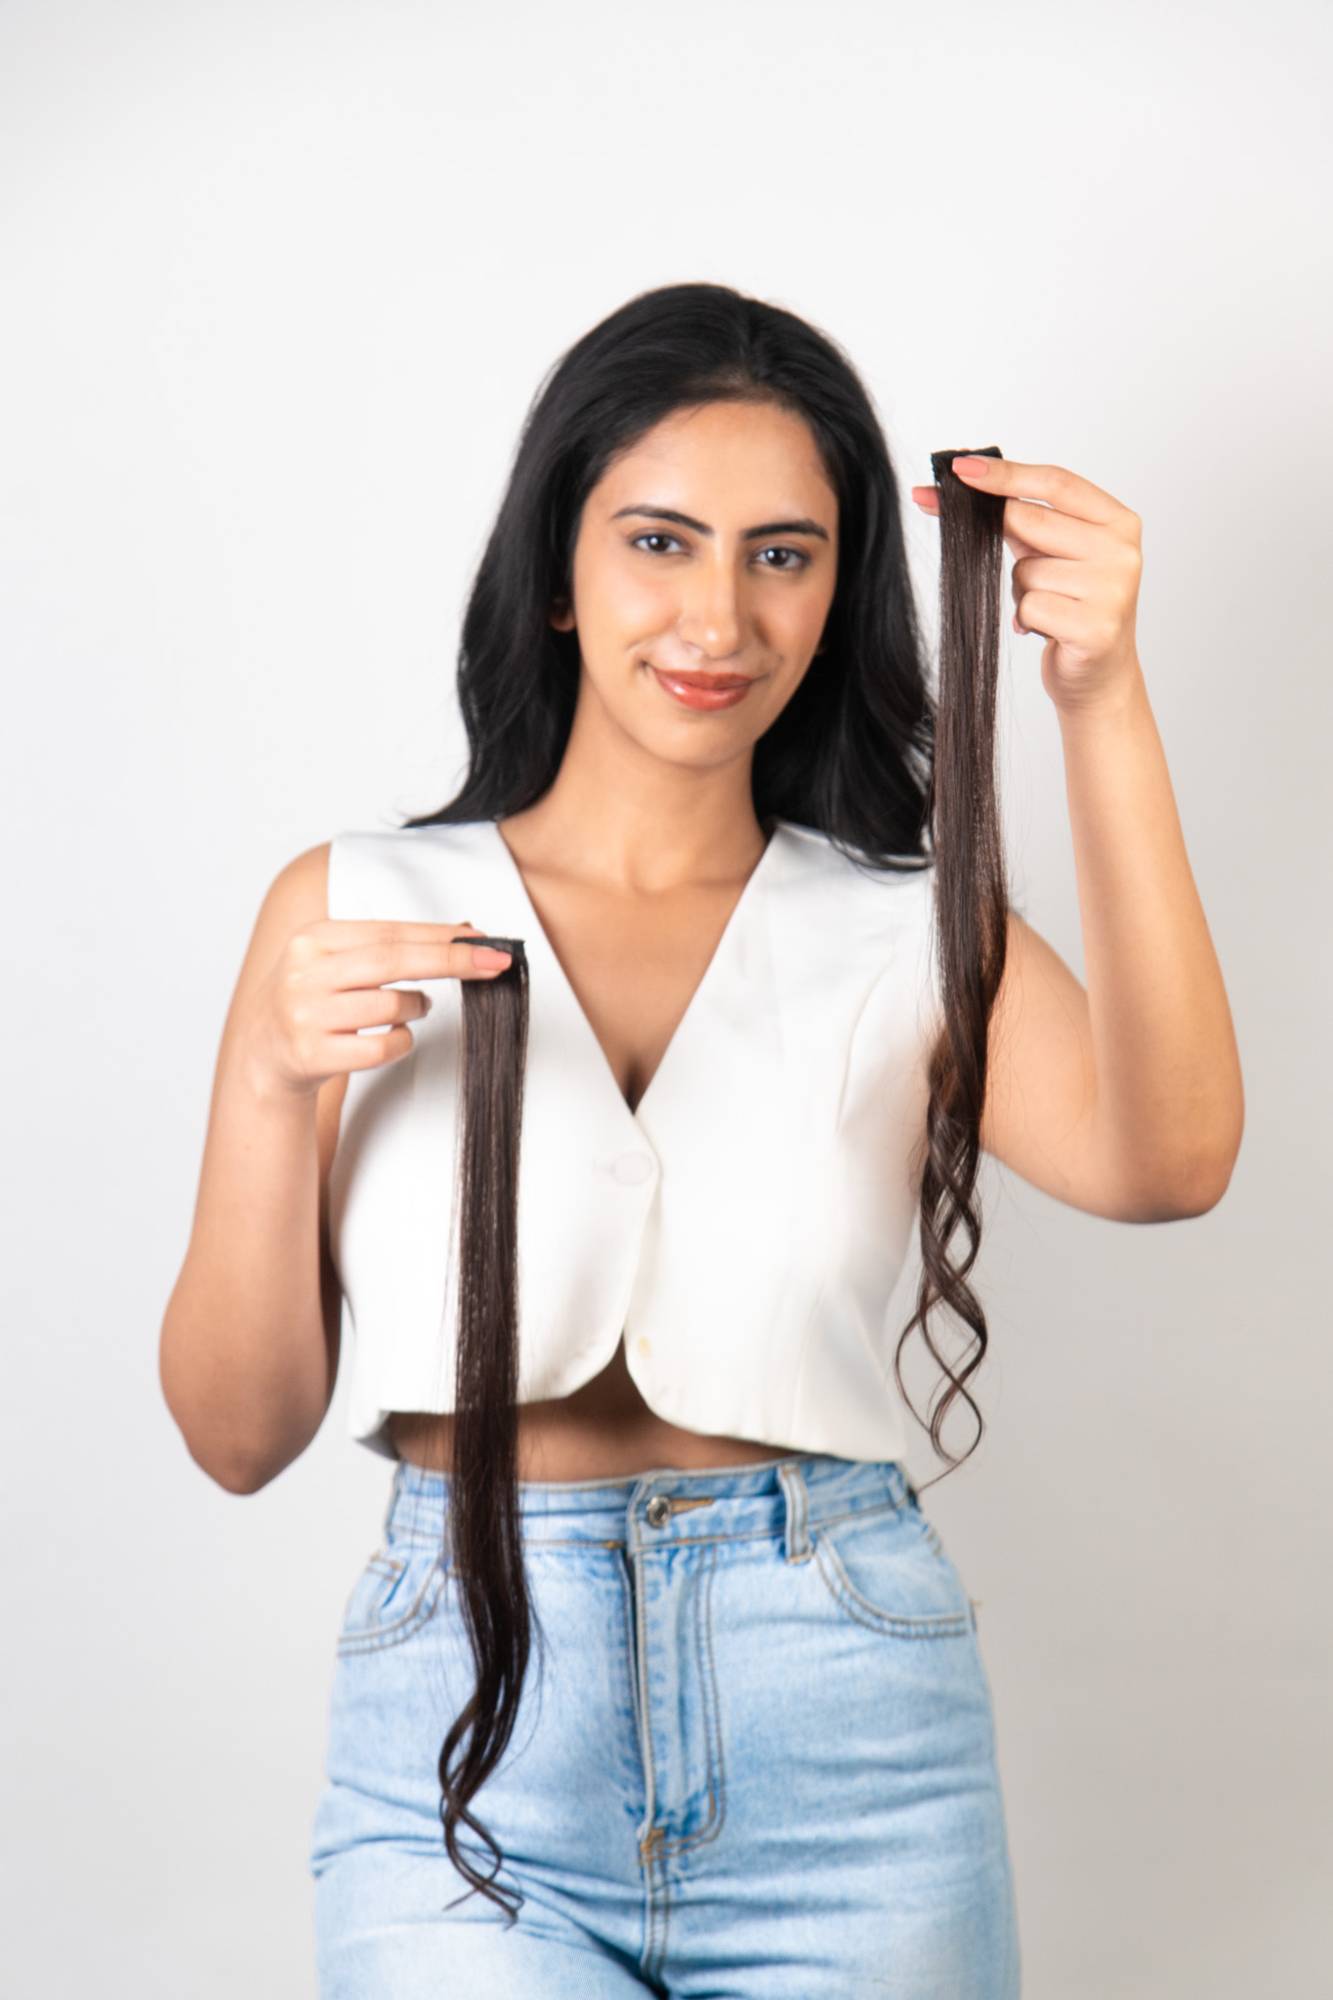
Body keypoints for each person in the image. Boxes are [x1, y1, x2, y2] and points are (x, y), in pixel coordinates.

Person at [158, 283, 1243, 1997]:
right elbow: (234, 1435)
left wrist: (1098, 695)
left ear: (839, 591)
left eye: (783, 554)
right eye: (659, 540)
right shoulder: (359, 909)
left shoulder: (911, 928)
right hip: (463, 1721)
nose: (717, 613)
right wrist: (265, 1091)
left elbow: (1167, 1159)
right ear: (557, 572)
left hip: (848, 1726)